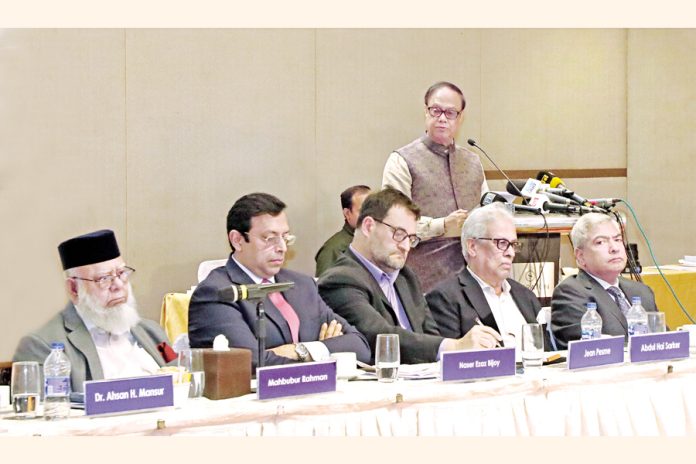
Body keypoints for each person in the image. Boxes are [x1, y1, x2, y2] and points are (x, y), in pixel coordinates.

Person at [188, 192, 370, 369]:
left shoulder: (302, 285)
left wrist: (301, 350)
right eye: (270, 238)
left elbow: (360, 347)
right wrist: (325, 352)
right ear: (237, 240)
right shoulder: (217, 293)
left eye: (285, 237)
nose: (282, 247)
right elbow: (248, 363)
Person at [318, 187, 500, 364]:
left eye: (411, 238)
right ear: (368, 226)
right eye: (399, 234)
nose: (406, 247)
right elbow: (379, 336)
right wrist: (454, 346)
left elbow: (430, 335)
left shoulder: (405, 277)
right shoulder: (339, 280)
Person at [13, 230, 175, 393]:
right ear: (74, 289)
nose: (119, 285)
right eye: (104, 279)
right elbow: (48, 407)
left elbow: (181, 378)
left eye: (121, 274)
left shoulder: (151, 332)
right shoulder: (42, 346)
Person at [382, 81, 488, 292]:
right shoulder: (402, 160)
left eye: (450, 113)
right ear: (426, 111)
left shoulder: (473, 161)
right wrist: (442, 225)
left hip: (474, 279)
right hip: (424, 281)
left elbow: (487, 214)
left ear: (460, 117)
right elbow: (394, 223)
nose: (442, 118)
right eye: (436, 110)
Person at [426, 203, 547, 350]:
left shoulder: (526, 296)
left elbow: (548, 354)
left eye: (513, 244)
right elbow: (449, 360)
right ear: (472, 247)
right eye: (502, 243)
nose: (511, 253)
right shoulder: (445, 299)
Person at [551, 213, 658, 349]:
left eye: (618, 239)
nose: (614, 248)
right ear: (581, 256)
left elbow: (662, 340)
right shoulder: (570, 293)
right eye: (600, 242)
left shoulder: (642, 291)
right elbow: (588, 350)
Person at [315, 185, 371, 277]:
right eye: (363, 211)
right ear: (347, 214)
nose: (370, 216)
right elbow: (324, 284)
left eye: (373, 209)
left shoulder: (378, 241)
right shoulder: (333, 250)